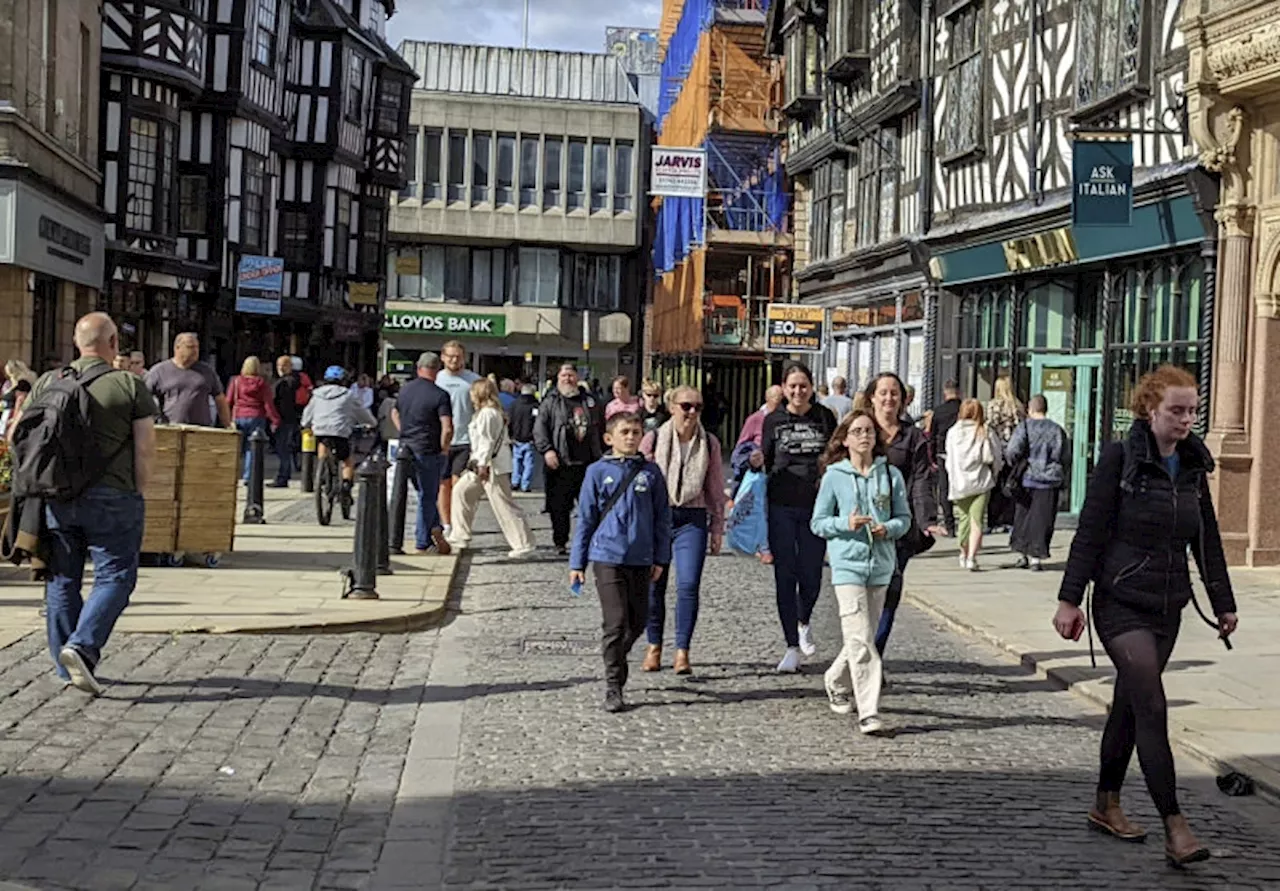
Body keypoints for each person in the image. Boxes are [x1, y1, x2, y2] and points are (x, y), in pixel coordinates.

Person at [1053, 365, 1237, 869]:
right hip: (1120, 601)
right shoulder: (1121, 457)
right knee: (1152, 705)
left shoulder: (1194, 464)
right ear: (1150, 409)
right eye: (1176, 411)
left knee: (1130, 708)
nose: (1185, 420)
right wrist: (1070, 599)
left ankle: (1105, 802)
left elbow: (1207, 540)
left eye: (1192, 411)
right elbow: (1090, 529)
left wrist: (1223, 601)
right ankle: (1175, 826)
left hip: (1168, 604)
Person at [30, 313, 157, 694]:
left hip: (56, 496)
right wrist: (139, 490)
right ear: (114, 343)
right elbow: (146, 448)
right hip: (113, 496)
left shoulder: (47, 383)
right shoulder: (129, 385)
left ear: (76, 342)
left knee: (62, 577)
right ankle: (82, 648)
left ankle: (66, 667)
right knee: (116, 576)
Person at [810, 410, 911, 736]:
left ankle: (835, 680)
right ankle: (868, 710)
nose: (865, 436)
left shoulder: (891, 475)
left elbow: (904, 519)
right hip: (847, 565)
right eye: (857, 431)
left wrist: (889, 528)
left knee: (862, 636)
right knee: (861, 638)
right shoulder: (834, 476)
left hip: (881, 565)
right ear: (846, 439)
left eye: (869, 431)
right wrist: (845, 524)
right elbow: (818, 522)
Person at [569, 412, 672, 713]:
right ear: (609, 438)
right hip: (607, 555)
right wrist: (577, 563)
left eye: (636, 432)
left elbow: (662, 519)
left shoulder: (651, 473)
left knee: (638, 620)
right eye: (625, 432)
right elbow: (586, 519)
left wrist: (661, 557)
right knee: (615, 622)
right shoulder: (597, 472)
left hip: (640, 557)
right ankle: (614, 684)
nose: (631, 437)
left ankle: (615, 655)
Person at [749, 362, 838, 672]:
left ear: (812, 387)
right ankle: (790, 645)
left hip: (817, 506)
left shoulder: (825, 417)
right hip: (781, 504)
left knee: (811, 575)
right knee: (785, 575)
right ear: (784, 389)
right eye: (792, 386)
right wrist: (756, 460)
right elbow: (766, 459)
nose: (798, 391)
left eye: (803, 385)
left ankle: (803, 620)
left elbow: (835, 454)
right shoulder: (773, 419)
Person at [639, 385, 726, 676]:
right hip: (658, 518)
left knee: (688, 584)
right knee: (655, 586)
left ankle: (682, 651)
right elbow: (637, 483)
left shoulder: (709, 443)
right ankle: (654, 647)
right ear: (672, 407)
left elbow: (715, 488)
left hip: (693, 517)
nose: (692, 413)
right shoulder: (652, 439)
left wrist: (717, 528)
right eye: (686, 406)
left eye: (698, 408)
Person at [866, 372, 943, 656]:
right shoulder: (859, 429)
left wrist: (927, 520)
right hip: (861, 528)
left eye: (894, 393)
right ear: (872, 396)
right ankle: (859, 651)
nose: (889, 398)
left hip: (898, 527)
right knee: (861, 596)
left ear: (903, 399)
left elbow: (921, 481)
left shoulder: (912, 437)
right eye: (883, 392)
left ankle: (874, 655)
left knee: (890, 592)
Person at [446, 378, 536, 557]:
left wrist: (482, 464)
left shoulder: (487, 414)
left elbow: (486, 441)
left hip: (491, 466)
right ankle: (460, 534)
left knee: (503, 505)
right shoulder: (489, 412)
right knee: (461, 492)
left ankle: (523, 543)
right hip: (487, 464)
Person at [534, 363, 605, 556]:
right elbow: (540, 430)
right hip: (560, 464)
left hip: (587, 464)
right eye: (564, 375)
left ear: (577, 378)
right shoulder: (550, 402)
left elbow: (601, 428)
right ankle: (560, 542)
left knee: (590, 506)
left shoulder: (590, 401)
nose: (567, 379)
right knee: (559, 508)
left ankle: (590, 541)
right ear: (558, 379)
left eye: (571, 375)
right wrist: (547, 450)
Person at [392, 353, 453, 555]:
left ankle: (435, 528)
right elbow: (447, 427)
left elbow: (394, 412)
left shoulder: (405, 390)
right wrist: (444, 448)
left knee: (416, 493)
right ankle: (422, 542)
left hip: (405, 448)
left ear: (419, 368)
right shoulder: (440, 394)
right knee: (427, 496)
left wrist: (403, 431)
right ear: (437, 370)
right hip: (428, 449)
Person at [1005, 395, 1068, 570]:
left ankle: (1022, 553)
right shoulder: (1057, 430)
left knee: (1023, 517)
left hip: (1027, 478)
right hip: (1049, 480)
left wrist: (1015, 464)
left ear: (1030, 409)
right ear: (1045, 409)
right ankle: (1036, 557)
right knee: (1042, 519)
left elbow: (1012, 450)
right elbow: (1063, 455)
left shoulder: (1024, 427)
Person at [945, 399, 1002, 571]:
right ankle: (972, 557)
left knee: (963, 520)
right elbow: (995, 456)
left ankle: (963, 552)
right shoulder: (984, 431)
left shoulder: (953, 432)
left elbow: (949, 458)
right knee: (977, 520)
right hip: (981, 482)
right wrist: (995, 473)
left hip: (959, 483)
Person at [301, 365, 376, 497]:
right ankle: (346, 483)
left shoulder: (316, 394)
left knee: (322, 443)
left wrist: (305, 424)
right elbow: (362, 413)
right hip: (340, 431)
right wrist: (372, 423)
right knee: (347, 458)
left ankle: (323, 469)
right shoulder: (348, 395)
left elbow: (308, 413)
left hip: (321, 430)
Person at [436, 341, 483, 533]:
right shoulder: (436, 379)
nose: (454, 360)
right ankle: (446, 524)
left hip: (465, 441)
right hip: (441, 441)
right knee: (443, 484)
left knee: (459, 486)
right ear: (443, 357)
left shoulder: (473, 380)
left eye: (458, 356)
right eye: (450, 356)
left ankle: (459, 524)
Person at [145, 332, 230, 427]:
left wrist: (227, 425)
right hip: (170, 428)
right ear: (177, 348)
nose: (195, 351)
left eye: (197, 347)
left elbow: (220, 399)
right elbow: (143, 398)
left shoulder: (207, 371)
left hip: (201, 430)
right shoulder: (159, 371)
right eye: (190, 347)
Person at [227, 356, 281, 484]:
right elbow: (268, 403)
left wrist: (226, 419)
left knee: (236, 448)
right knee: (252, 449)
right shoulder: (262, 383)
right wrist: (275, 420)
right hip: (257, 417)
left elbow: (228, 400)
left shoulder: (236, 381)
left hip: (239, 416)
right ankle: (248, 476)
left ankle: (232, 475)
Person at [985, 375, 1025, 532]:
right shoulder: (1018, 406)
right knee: (1011, 484)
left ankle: (994, 520)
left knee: (995, 487)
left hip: (998, 449)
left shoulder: (994, 405)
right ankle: (1010, 519)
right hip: (1014, 450)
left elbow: (990, 426)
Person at [925, 380, 961, 536]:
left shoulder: (938, 411)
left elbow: (931, 436)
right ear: (958, 392)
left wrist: (931, 457)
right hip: (961, 453)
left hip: (943, 453)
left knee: (944, 489)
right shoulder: (963, 409)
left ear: (945, 393)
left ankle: (949, 524)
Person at [271, 356, 303, 488]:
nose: (280, 368)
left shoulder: (285, 383)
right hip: (289, 418)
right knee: (284, 448)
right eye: (278, 365)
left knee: (282, 448)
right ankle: (284, 474)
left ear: (289, 366)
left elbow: (276, 401)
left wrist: (274, 419)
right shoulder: (293, 381)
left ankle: (283, 477)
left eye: (283, 365)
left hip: (283, 419)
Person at [509, 383, 538, 493]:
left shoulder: (514, 404)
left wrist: (510, 435)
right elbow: (537, 423)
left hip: (516, 438)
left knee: (516, 460)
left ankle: (515, 482)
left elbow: (510, 421)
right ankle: (525, 485)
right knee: (529, 463)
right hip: (530, 438)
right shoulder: (535, 405)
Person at [1, 359, 35, 436]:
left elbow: (21, 401)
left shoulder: (22, 384)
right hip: (5, 415)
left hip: (10, 416)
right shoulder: (10, 383)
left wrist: (14, 419)